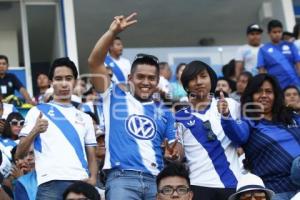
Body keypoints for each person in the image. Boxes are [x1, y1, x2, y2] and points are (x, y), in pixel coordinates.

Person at [88, 13, 182, 200]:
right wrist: (112, 32)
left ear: (158, 81)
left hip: (156, 181)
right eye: (140, 77)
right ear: (130, 78)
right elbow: (94, 61)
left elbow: (176, 152)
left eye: (151, 78)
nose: (146, 82)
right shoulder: (113, 96)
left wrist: (173, 154)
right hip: (121, 179)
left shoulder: (166, 112)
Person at [15, 57, 98, 200]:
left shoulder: (85, 117)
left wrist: (93, 179)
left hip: (80, 184)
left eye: (68, 78)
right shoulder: (37, 112)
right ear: (51, 82)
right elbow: (19, 154)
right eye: (58, 79)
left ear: (75, 82)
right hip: (49, 184)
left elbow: (92, 155)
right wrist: (35, 130)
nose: (64, 84)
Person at [221, 74, 300, 200]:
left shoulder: (291, 117)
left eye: (269, 91)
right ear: (251, 96)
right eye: (258, 92)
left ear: (276, 95)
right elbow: (238, 136)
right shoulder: (249, 121)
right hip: (276, 191)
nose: (264, 95)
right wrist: (226, 115)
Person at [175, 60, 241, 200]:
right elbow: (178, 154)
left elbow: (243, 137)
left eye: (203, 76)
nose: (199, 82)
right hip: (198, 186)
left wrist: (227, 115)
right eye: (193, 79)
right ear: (186, 85)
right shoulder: (179, 118)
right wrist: (173, 155)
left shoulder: (231, 105)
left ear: (212, 80)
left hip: (232, 184)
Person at [257, 19, 300, 89]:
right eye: (274, 32)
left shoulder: (290, 45)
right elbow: (261, 71)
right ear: (269, 33)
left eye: (279, 32)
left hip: (294, 83)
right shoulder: (263, 50)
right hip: (275, 85)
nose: (277, 34)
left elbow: (298, 64)